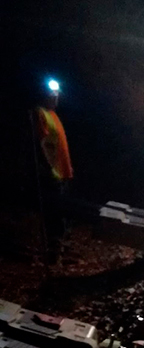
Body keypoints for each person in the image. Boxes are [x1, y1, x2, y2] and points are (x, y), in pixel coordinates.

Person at [34, 79, 73, 266]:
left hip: (62, 172)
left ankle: (61, 248)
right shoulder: (40, 114)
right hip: (52, 174)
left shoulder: (53, 115)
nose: (56, 98)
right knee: (54, 214)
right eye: (52, 95)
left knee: (63, 211)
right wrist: (48, 168)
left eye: (57, 95)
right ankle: (53, 253)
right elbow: (40, 144)